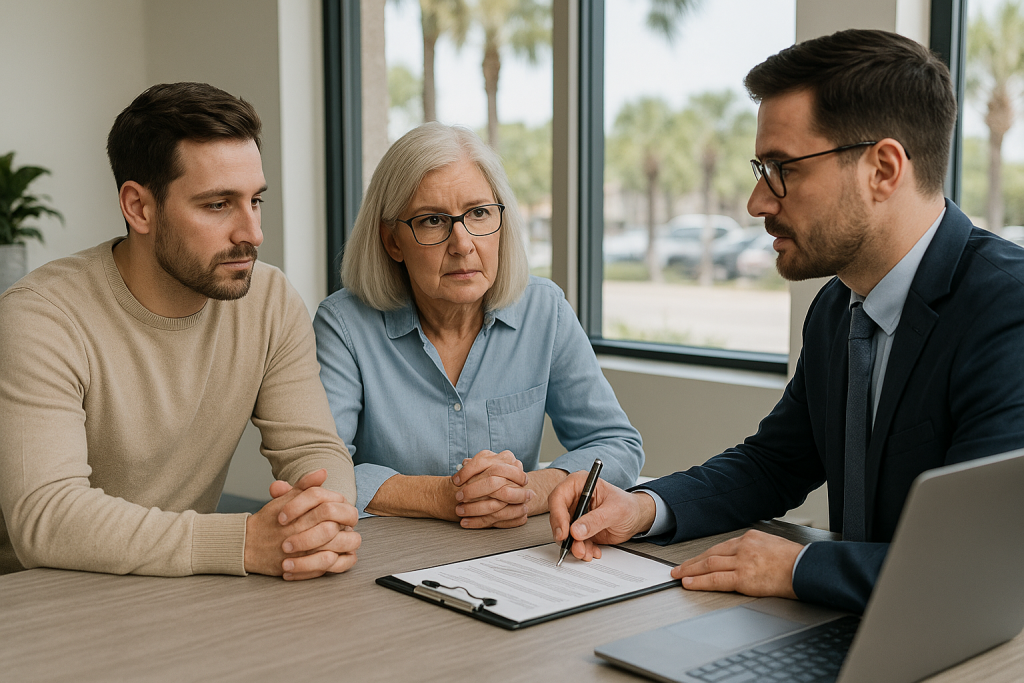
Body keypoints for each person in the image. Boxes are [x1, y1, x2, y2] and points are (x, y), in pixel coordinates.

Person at [549, 29, 1024, 613]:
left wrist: (799, 565)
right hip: (867, 626)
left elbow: (977, 566)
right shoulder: (838, 307)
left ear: (883, 169)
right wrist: (643, 507)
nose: (756, 202)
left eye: (782, 169)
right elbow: (775, 463)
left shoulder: (1008, 309)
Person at [0, 83, 360, 581]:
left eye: (255, 200)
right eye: (218, 205)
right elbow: (46, 516)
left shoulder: (270, 299)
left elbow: (313, 451)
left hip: (178, 590)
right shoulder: (41, 317)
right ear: (139, 207)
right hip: (42, 603)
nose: (251, 233)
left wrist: (324, 516)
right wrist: (242, 543)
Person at [314, 122, 643, 528]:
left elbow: (617, 445)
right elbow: (320, 474)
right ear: (392, 241)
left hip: (510, 561)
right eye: (433, 220)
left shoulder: (545, 310)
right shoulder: (344, 326)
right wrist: (441, 496)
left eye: (480, 213)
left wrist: (529, 491)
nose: (463, 244)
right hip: (384, 559)